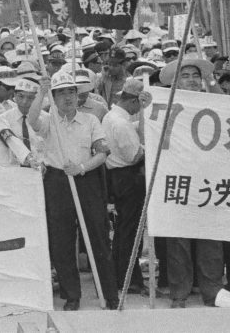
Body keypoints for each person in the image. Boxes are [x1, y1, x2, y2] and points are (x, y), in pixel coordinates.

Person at [28, 71, 118, 311]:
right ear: (54, 97)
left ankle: (109, 293)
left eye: (71, 92)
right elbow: (31, 119)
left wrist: (81, 168)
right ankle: (71, 295)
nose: (67, 97)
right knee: (61, 239)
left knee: (97, 234)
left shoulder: (91, 120)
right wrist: (41, 92)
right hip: (57, 181)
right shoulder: (48, 120)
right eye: (60, 93)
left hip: (86, 178)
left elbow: (102, 153)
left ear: (78, 95)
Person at [158, 56, 224, 308]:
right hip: (177, 179)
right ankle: (179, 293)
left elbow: (228, 107)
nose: (192, 80)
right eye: (185, 76)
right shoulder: (165, 105)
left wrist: (212, 81)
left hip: (209, 179)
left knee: (210, 240)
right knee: (178, 241)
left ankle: (212, 291)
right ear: (175, 82)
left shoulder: (212, 102)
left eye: (196, 75)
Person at [103, 77, 149, 296]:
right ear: (133, 101)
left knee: (125, 229)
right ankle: (128, 278)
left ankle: (123, 275)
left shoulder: (112, 117)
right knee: (130, 230)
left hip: (118, 176)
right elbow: (134, 155)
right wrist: (146, 147)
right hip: (128, 177)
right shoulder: (121, 123)